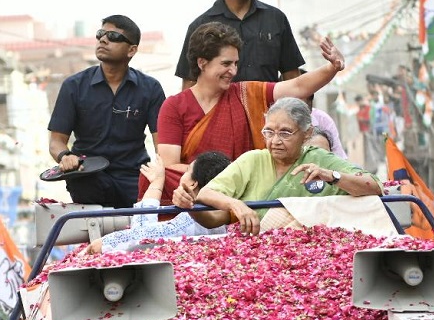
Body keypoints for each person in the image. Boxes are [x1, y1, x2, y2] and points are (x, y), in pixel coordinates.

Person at [146, 22, 345, 209]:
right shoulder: (174, 106)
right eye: (225, 63)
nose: (233, 71)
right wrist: (220, 179)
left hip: (247, 193)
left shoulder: (245, 93)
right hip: (196, 197)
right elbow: (171, 166)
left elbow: (297, 86)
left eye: (235, 63)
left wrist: (332, 67)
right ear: (202, 62)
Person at [172, 97, 383, 236]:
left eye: (285, 133)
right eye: (269, 132)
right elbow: (209, 199)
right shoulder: (252, 160)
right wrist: (234, 205)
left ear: (307, 134)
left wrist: (333, 176)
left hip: (309, 255)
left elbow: (373, 186)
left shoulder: (320, 160)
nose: (275, 141)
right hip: (256, 257)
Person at [47, 15, 166, 208]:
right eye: (100, 34)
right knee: (88, 200)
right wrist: (65, 156)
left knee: (138, 230)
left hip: (134, 177)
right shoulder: (74, 86)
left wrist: (160, 177)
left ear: (132, 50)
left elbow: (162, 144)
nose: (103, 39)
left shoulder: (150, 88)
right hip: (88, 176)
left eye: (113, 36)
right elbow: (56, 141)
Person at [175, 0, 304, 90]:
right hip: (219, 112)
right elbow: (189, 86)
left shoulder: (275, 19)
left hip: (269, 111)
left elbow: (293, 79)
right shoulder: (201, 27)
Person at [81, 151, 231, 254]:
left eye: (186, 171)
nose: (182, 175)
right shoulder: (233, 214)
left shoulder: (194, 220)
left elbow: (141, 236)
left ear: (192, 184)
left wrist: (157, 184)